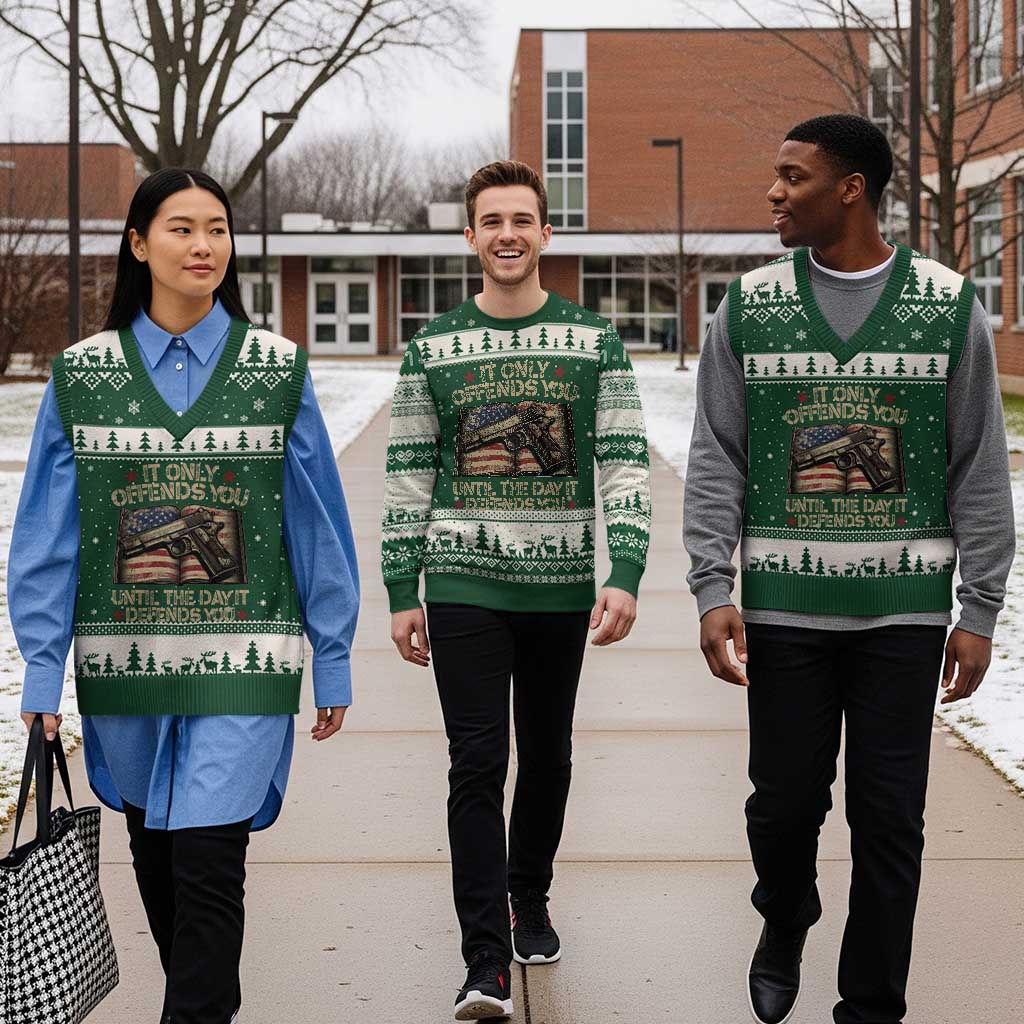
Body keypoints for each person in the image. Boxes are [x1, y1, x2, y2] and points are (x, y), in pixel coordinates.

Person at [684, 113, 1015, 1024]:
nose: (774, 192)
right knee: (782, 810)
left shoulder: (947, 305)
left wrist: (980, 608)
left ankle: (871, 1005)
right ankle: (784, 914)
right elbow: (718, 453)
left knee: (889, 823)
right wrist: (713, 586)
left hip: (904, 617)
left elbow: (977, 463)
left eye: (793, 176)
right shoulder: (749, 305)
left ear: (851, 189)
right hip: (786, 612)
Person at [11, 168, 359, 1024]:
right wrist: (42, 675)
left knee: (210, 863)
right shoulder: (82, 376)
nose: (203, 246)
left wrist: (334, 654)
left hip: (244, 664)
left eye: (216, 229)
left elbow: (315, 522)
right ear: (138, 244)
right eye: (180, 229)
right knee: (159, 860)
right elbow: (47, 538)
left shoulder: (277, 371)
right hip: (123, 667)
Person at [381, 160, 652, 1021]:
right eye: (491, 220)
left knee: (549, 753)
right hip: (463, 579)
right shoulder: (433, 348)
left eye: (522, 220)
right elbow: (407, 474)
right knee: (477, 761)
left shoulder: (593, 341)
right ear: (469, 236)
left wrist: (627, 569)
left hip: (561, 587)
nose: (507, 234)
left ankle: (527, 895)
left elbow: (623, 460)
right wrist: (401, 586)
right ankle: (484, 961)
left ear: (546, 233)